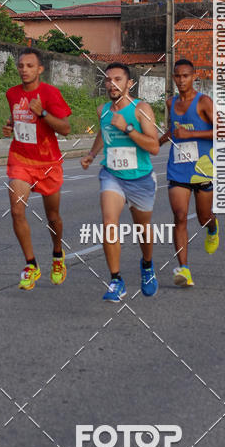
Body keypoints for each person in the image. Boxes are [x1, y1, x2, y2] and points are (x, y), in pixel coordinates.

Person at [80, 62, 160, 301]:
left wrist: (127, 128)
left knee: (142, 229)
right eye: (108, 79)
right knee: (109, 223)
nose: (112, 84)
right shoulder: (103, 110)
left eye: (117, 79)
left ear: (129, 83)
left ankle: (147, 265)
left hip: (140, 177)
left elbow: (154, 146)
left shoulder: (141, 109)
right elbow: (103, 132)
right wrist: (92, 154)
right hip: (112, 174)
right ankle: (116, 280)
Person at [3, 47, 71, 290]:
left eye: (30, 66)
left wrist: (42, 113)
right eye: (21, 66)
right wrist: (10, 126)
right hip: (20, 160)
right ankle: (31, 265)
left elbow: (65, 128)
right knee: (16, 211)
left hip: (48, 163)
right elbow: (18, 118)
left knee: (52, 217)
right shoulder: (12, 93)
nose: (24, 70)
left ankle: (57, 255)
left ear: (40, 69)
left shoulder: (50, 93)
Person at [159, 58, 219, 287]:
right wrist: (157, 142)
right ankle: (184, 269)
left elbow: (222, 132)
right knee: (180, 216)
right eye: (177, 76)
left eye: (185, 76)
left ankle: (212, 227)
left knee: (203, 217)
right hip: (178, 169)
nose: (181, 80)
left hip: (202, 169)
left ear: (194, 76)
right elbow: (173, 130)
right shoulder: (170, 102)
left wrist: (191, 134)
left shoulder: (204, 102)